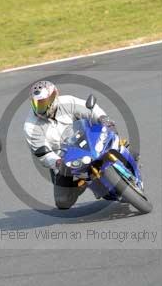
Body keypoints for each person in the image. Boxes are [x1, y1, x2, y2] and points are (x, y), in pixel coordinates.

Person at [23, 80, 119, 209]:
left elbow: (91, 110)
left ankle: (124, 153)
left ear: (54, 97)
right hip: (65, 160)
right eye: (37, 104)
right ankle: (83, 182)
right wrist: (57, 162)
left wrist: (104, 119)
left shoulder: (68, 102)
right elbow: (42, 153)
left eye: (43, 102)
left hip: (88, 141)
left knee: (111, 133)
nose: (41, 107)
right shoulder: (30, 126)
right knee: (62, 202)